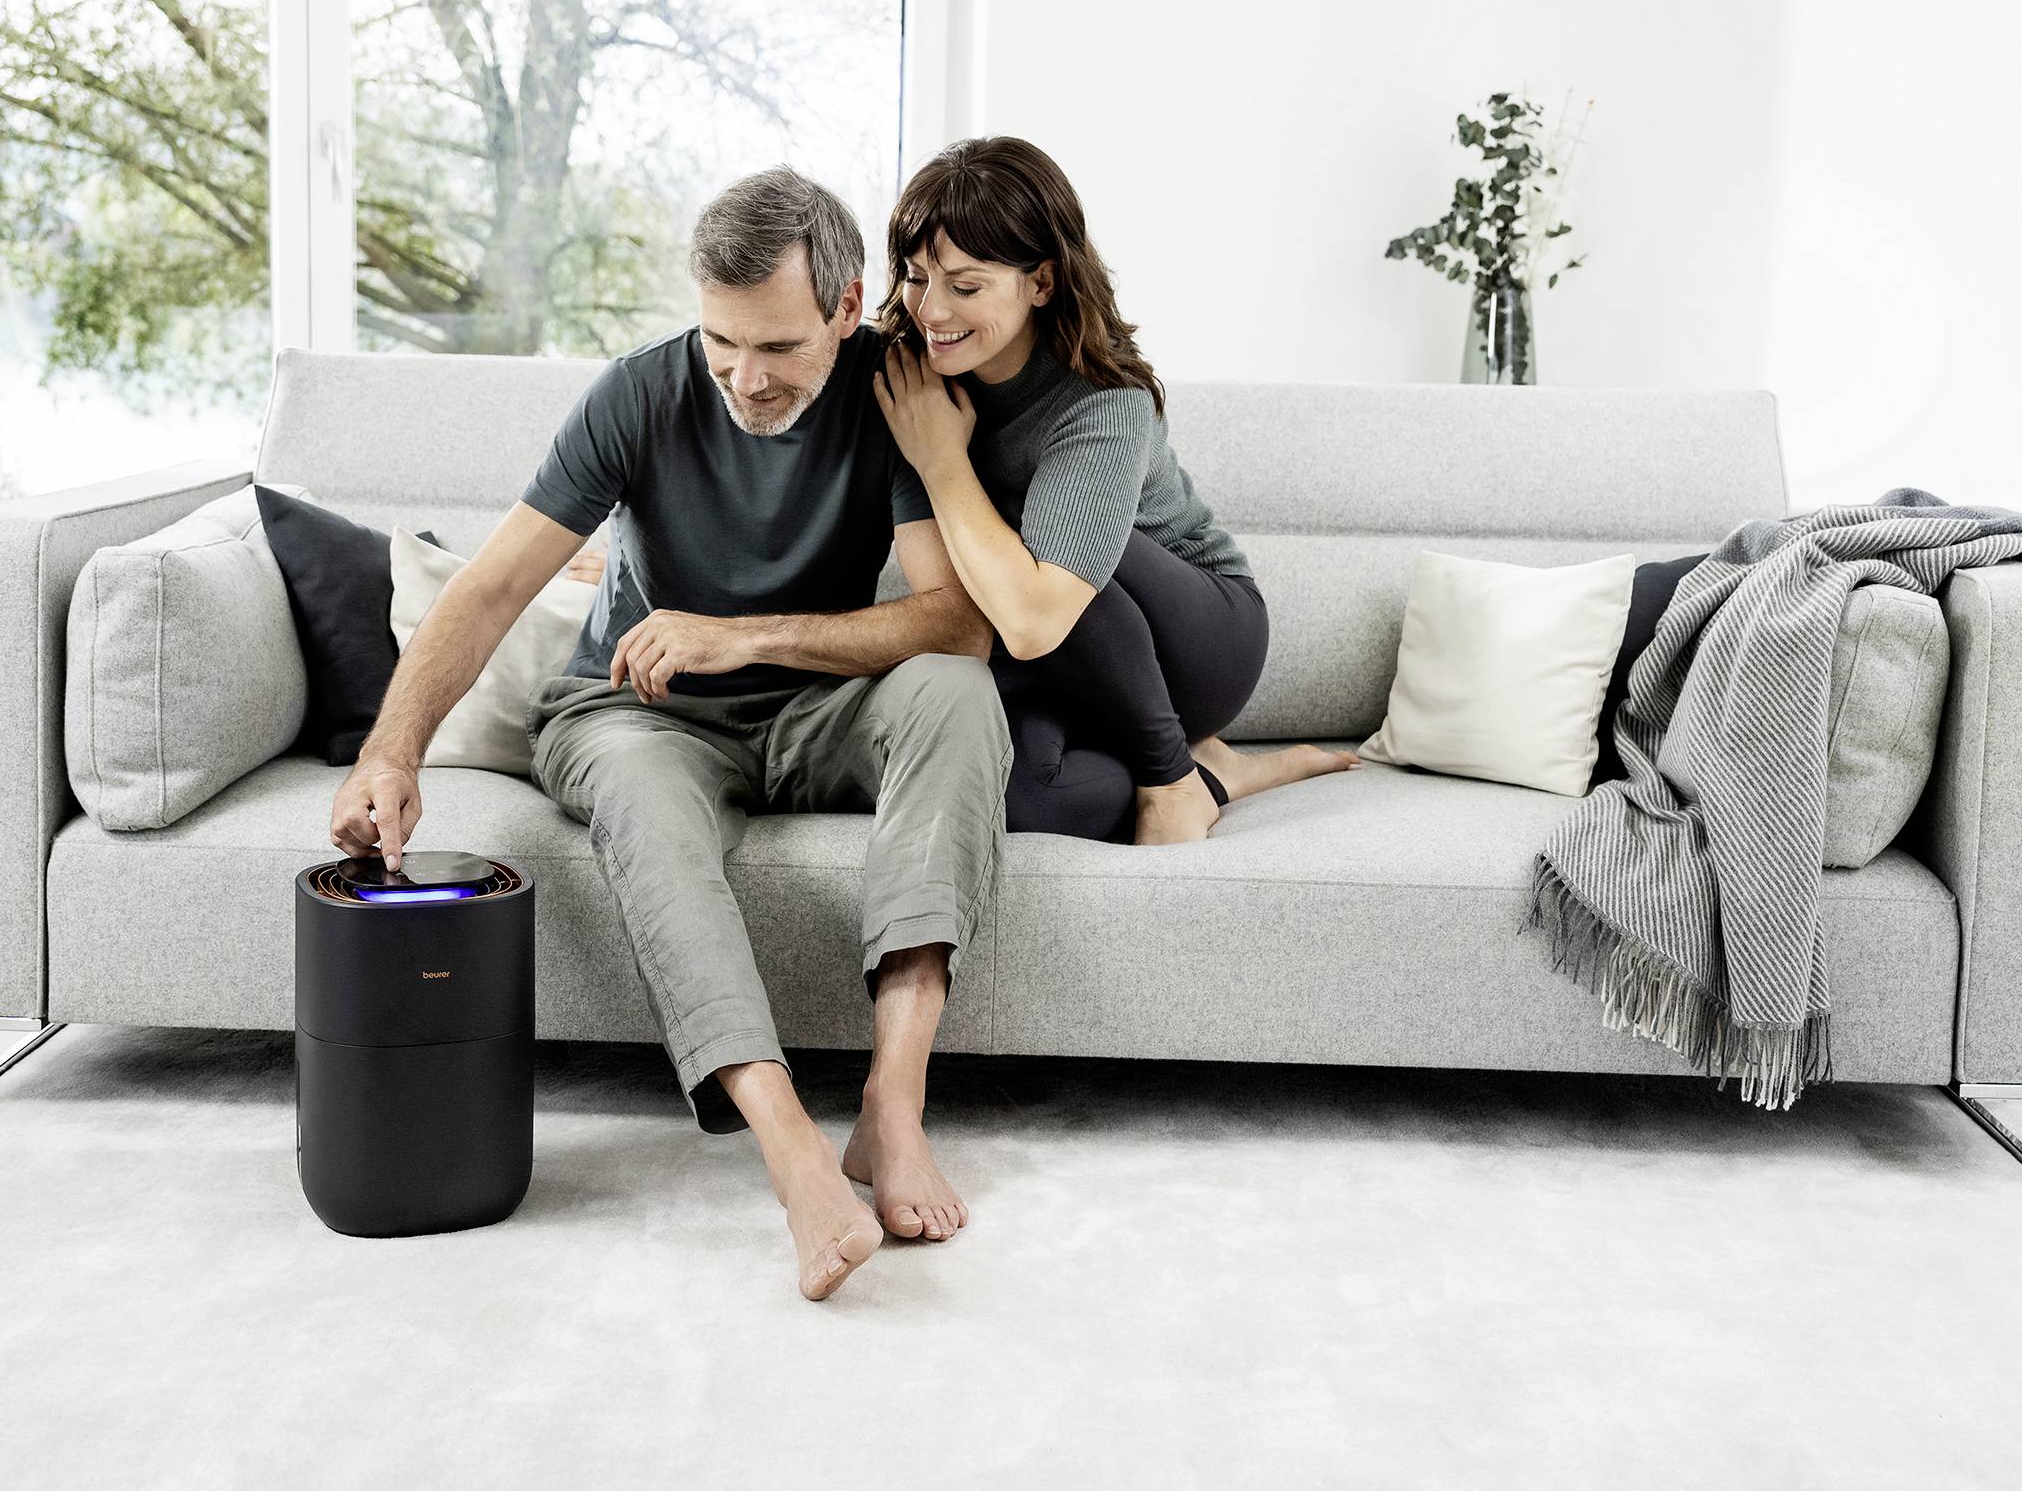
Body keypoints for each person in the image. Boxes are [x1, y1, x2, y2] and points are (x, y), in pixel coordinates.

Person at [327, 167, 1010, 1303]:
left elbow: (954, 624)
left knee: (956, 692)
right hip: (634, 715)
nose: (744, 378)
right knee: (642, 792)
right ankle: (791, 1148)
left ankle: (892, 1107)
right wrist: (390, 752)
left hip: (805, 711)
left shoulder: (894, 398)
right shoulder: (637, 395)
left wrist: (740, 636)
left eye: (779, 347)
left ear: (847, 307)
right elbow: (493, 588)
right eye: (720, 343)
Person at [869, 136, 1357, 846]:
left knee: (1025, 526)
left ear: (1041, 282)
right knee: (1017, 798)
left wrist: (942, 461)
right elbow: (961, 614)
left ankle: (1168, 774)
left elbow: (1036, 618)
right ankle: (1218, 779)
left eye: (965, 286)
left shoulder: (1104, 400)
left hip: (1194, 641)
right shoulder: (912, 381)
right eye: (916, 277)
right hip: (1044, 648)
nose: (931, 311)